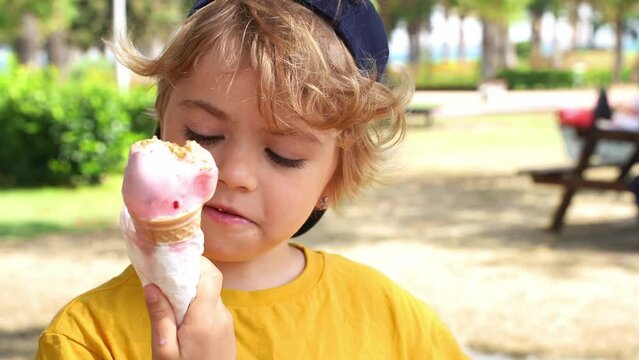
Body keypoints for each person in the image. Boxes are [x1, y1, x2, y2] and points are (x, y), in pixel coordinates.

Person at [36, 1, 469, 359]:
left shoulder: (395, 324)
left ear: (333, 180)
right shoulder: (87, 338)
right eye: (203, 134)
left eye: (284, 155)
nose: (235, 174)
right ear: (162, 129)